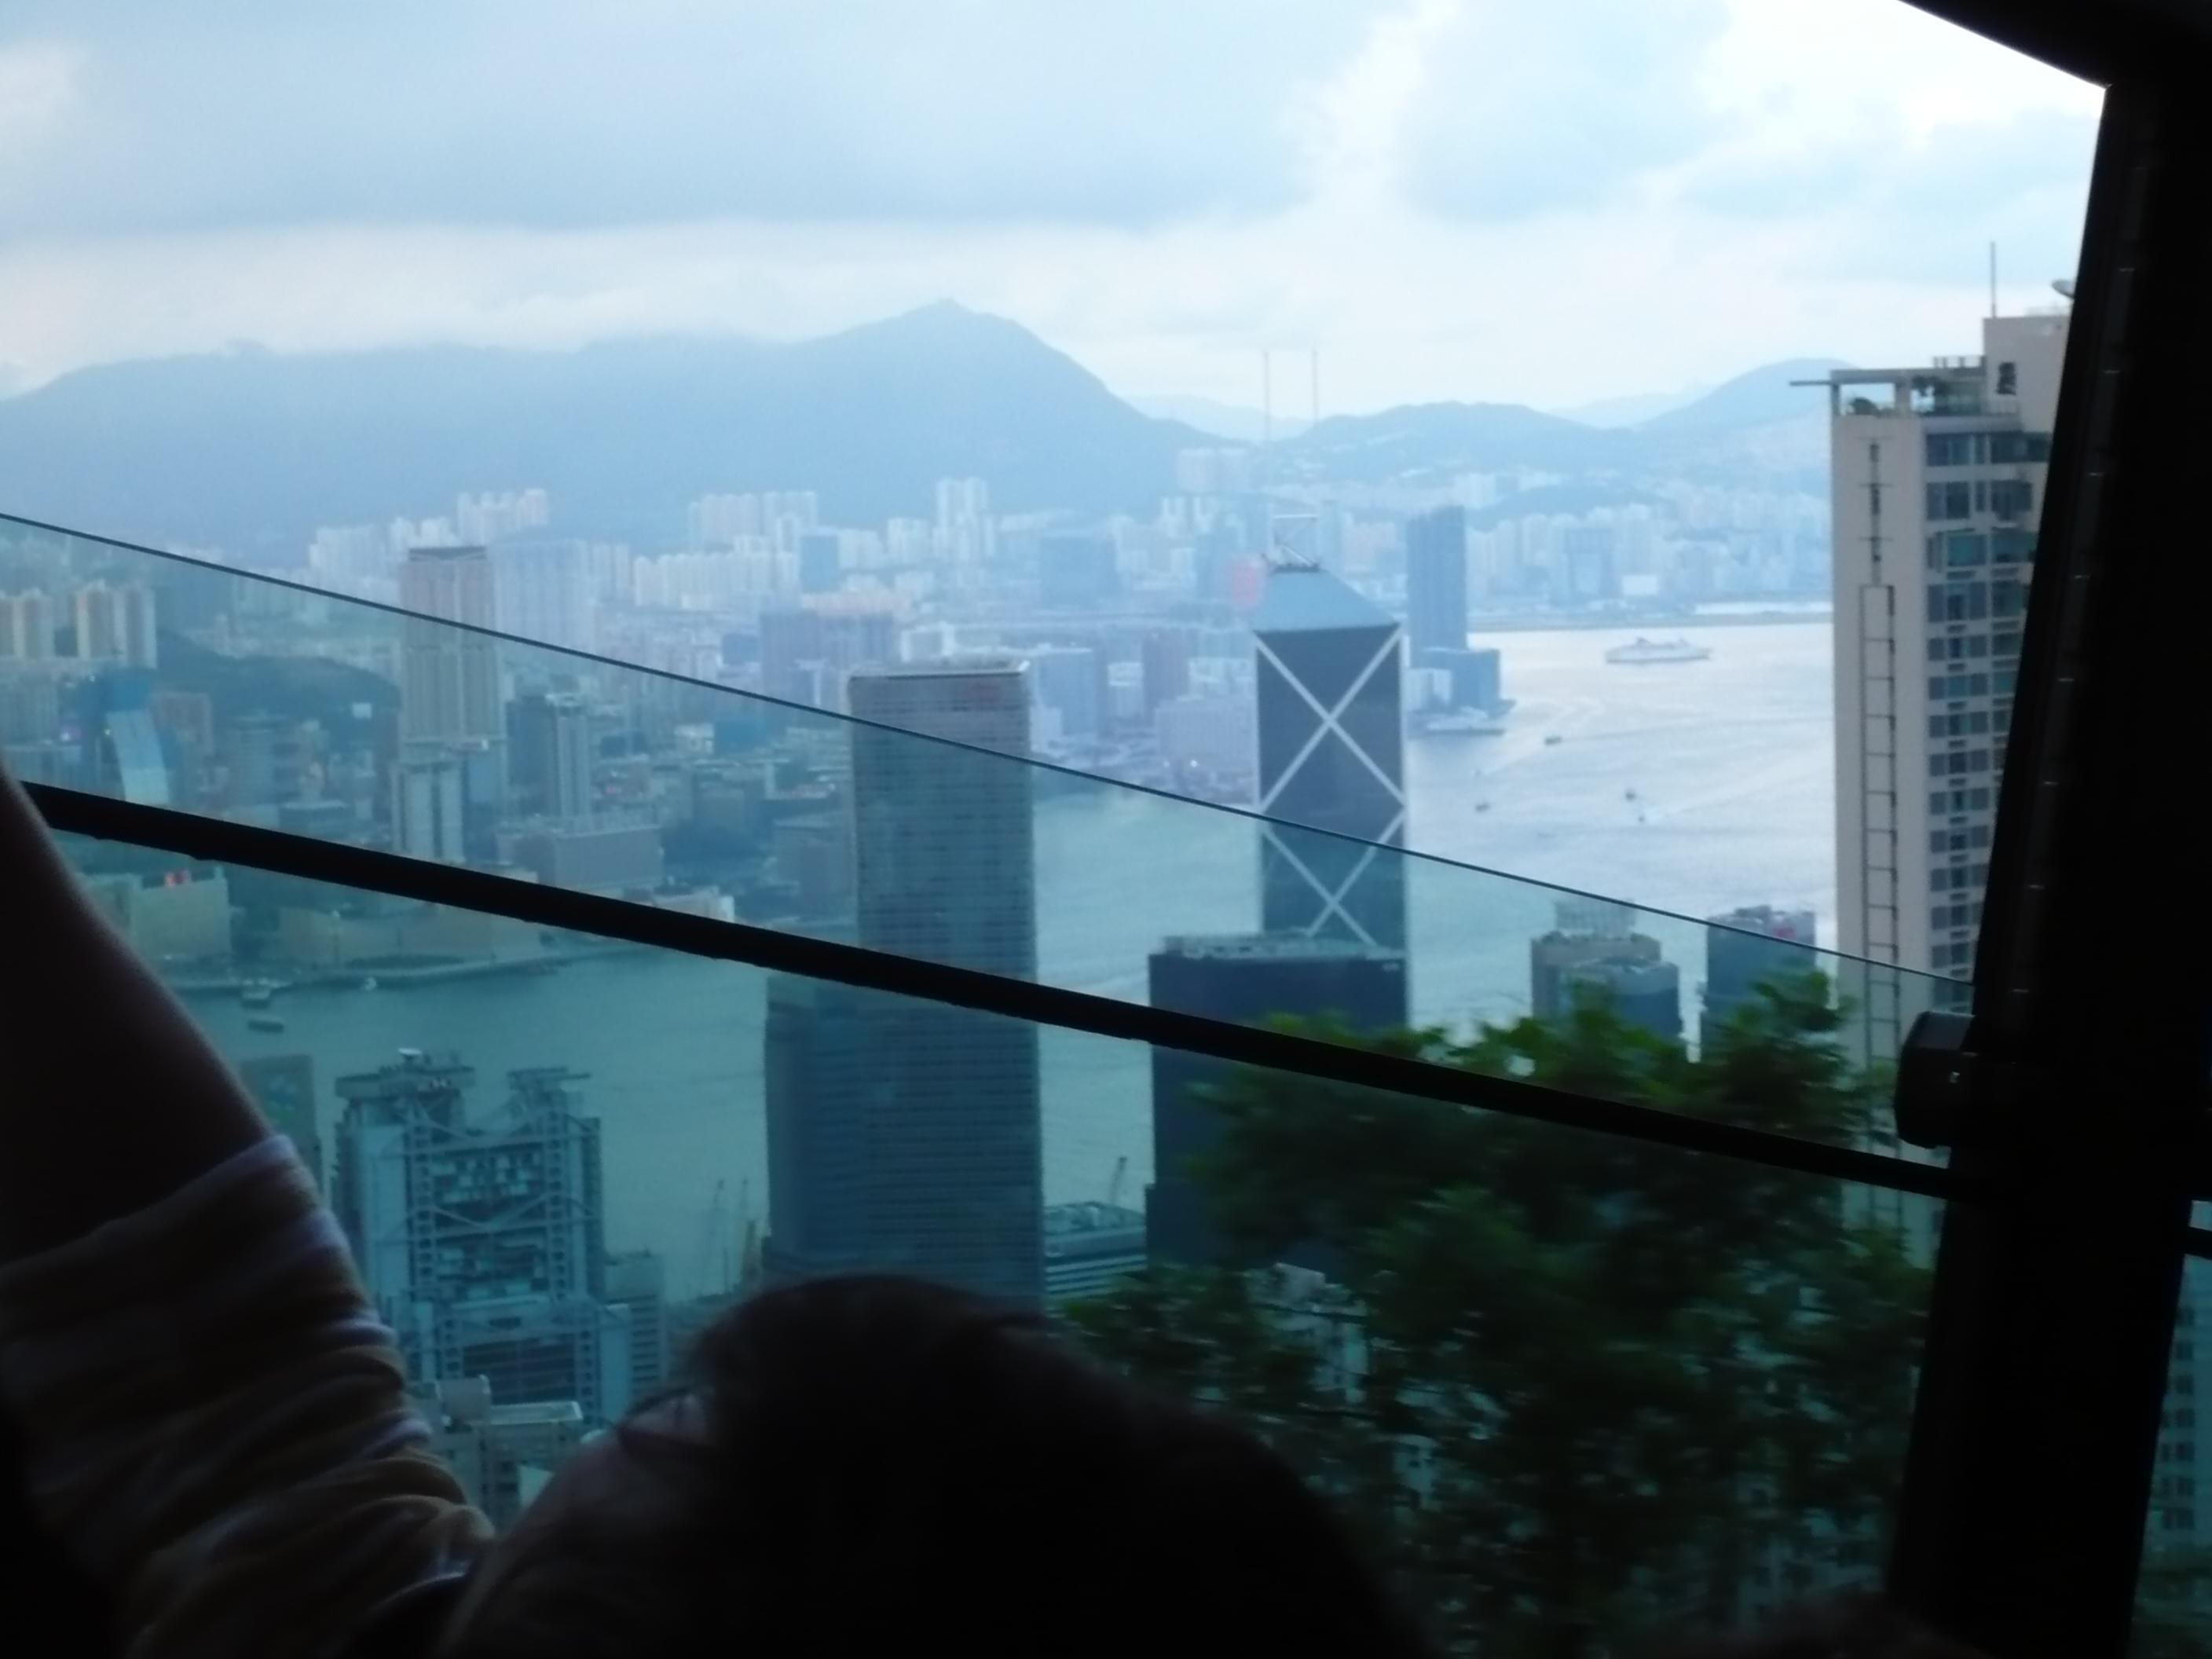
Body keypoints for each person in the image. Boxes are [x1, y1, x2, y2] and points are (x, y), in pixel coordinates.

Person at [0, 760, 1426, 1659]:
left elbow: (222, 1353)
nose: (620, 1439)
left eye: (676, 1425)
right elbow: (236, 1362)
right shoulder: (364, 1607)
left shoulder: (344, 1607)